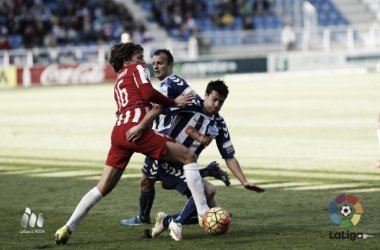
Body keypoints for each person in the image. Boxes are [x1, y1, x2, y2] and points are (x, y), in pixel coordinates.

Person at [54, 43, 210, 245]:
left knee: (102, 187)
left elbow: (125, 108)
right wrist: (174, 102)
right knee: (188, 157)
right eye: (140, 57)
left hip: (118, 133)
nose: (143, 62)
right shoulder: (137, 69)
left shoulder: (119, 80)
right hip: (136, 130)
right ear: (127, 61)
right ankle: (204, 213)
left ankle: (67, 228)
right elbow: (147, 93)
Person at [126, 79, 266, 241]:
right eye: (214, 99)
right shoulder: (189, 105)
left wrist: (244, 181)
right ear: (205, 95)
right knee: (208, 191)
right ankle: (176, 222)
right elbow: (159, 108)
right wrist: (140, 126)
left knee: (211, 211)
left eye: (221, 102)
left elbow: (229, 156)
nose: (216, 105)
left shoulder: (219, 124)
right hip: (165, 161)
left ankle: (167, 220)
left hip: (186, 168)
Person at [120, 49, 230, 226]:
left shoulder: (169, 82)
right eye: (154, 63)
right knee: (166, 182)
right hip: (167, 139)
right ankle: (211, 204)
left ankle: (148, 219)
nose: (156, 66)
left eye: (160, 63)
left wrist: (140, 127)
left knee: (149, 180)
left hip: (164, 140)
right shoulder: (173, 83)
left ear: (170, 65)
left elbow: (159, 108)